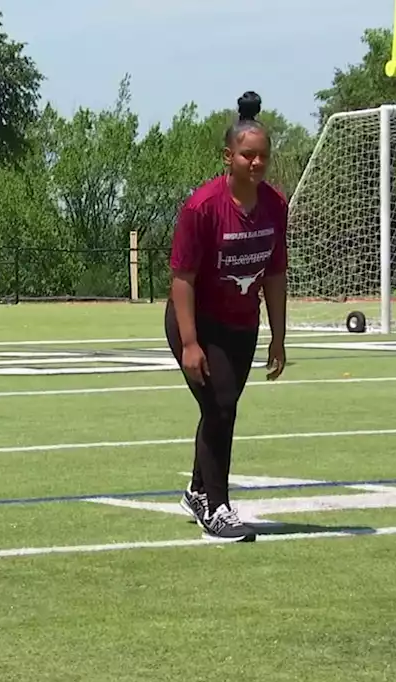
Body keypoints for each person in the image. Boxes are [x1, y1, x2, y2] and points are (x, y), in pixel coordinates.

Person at [166, 92, 288, 543]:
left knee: (220, 410)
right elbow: (182, 278)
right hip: (198, 320)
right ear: (228, 157)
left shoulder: (275, 205)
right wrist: (191, 342)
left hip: (243, 324)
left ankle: (198, 491)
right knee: (222, 407)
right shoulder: (203, 207)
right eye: (247, 155)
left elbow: (275, 273)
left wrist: (278, 337)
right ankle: (216, 508)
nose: (256, 163)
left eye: (262, 156)